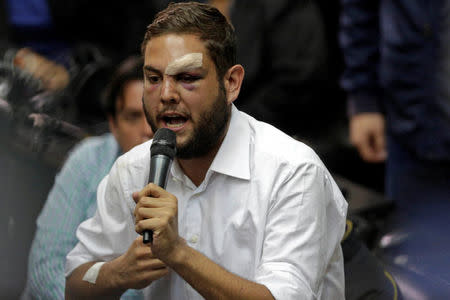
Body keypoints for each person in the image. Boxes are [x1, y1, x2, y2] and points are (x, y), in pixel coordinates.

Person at [65, 3, 348, 299]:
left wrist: (178, 253)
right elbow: (75, 284)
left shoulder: (291, 171)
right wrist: (118, 273)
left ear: (231, 83)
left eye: (187, 78)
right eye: (154, 78)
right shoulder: (133, 168)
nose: (166, 95)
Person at [22, 56, 153, 299]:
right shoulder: (88, 159)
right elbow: (46, 265)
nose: (147, 130)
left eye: (155, 115)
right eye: (133, 117)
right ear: (113, 124)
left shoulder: (184, 170)